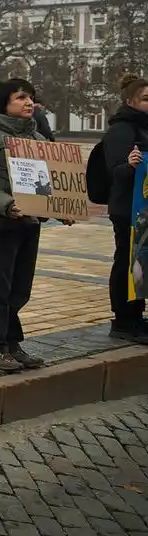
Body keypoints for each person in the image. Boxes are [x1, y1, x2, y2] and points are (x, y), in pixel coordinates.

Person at [0, 78, 70, 373]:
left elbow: (50, 181)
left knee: (20, 288)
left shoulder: (36, 139)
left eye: (31, 97)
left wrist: (61, 208)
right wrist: (7, 204)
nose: (29, 102)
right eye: (21, 97)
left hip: (29, 223)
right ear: (3, 104)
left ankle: (12, 343)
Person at [104, 74, 148, 343]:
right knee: (127, 261)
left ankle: (137, 314)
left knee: (142, 263)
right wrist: (130, 165)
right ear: (130, 101)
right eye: (145, 99)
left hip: (144, 206)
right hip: (127, 208)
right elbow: (115, 172)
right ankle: (122, 319)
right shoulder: (121, 129)